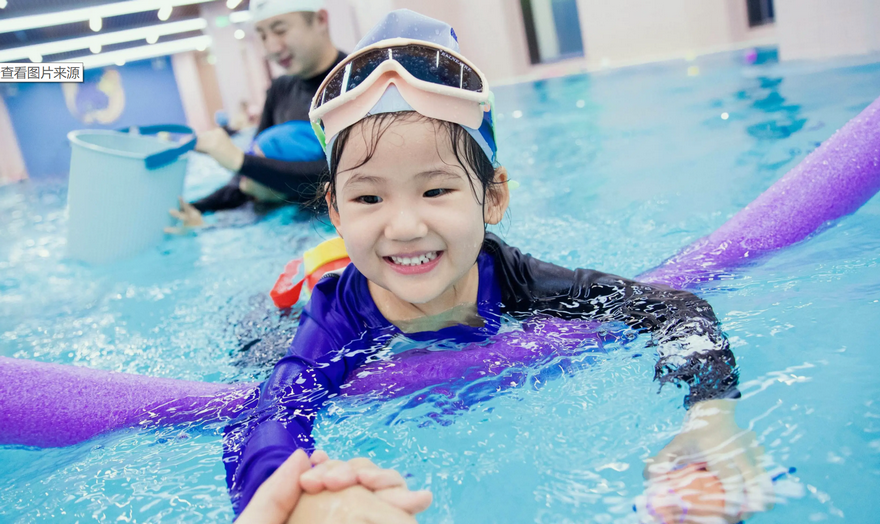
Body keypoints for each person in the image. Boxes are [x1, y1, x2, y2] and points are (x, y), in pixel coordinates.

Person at [225, 10, 776, 523]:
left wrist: (710, 412)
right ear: (335, 212)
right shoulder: (338, 315)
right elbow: (270, 410)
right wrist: (289, 497)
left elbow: (673, 309)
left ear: (492, 198)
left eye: (436, 189)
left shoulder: (516, 279)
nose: (404, 226)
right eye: (369, 199)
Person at [168, 0, 346, 232]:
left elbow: (346, 174)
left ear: (321, 20)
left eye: (280, 30)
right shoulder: (280, 89)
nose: (271, 47)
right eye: (262, 36)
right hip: (292, 226)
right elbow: (246, 181)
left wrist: (240, 161)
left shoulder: (356, 83)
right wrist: (197, 209)